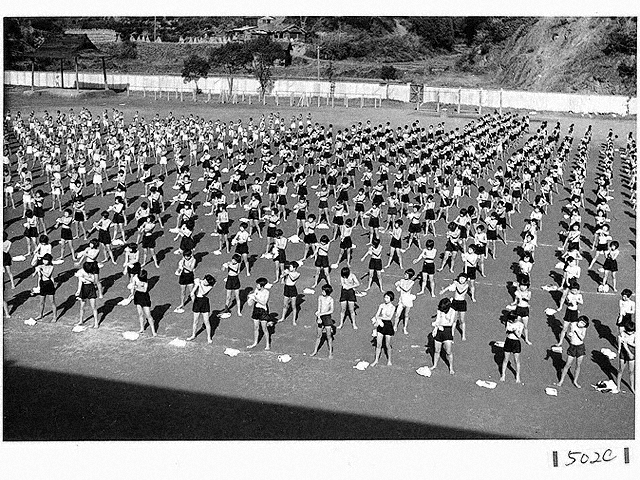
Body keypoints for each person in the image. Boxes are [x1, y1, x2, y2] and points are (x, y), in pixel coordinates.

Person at [557, 315, 588, 388]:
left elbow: (582, 338)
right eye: (581, 322)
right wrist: (570, 333)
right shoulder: (573, 324)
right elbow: (570, 332)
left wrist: (577, 332)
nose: (582, 325)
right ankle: (561, 381)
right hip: (572, 347)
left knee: (578, 365)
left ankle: (575, 381)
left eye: (584, 324)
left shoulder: (584, 329)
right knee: (567, 364)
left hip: (580, 347)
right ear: (579, 320)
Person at [440, 273, 470, 341]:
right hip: (455, 302)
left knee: (462, 320)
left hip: (462, 303)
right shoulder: (456, 283)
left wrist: (456, 284)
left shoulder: (466, 285)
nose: (461, 280)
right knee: (454, 320)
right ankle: (452, 334)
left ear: (466, 280)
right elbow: (449, 287)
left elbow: (460, 291)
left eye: (463, 278)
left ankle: (463, 335)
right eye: (460, 278)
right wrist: (443, 290)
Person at [430, 297, 456, 374]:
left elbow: (450, 323)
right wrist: (435, 328)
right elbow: (438, 320)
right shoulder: (439, 311)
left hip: (447, 332)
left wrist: (440, 325)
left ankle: (451, 367)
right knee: (437, 350)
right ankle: (434, 365)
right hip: (439, 331)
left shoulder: (452, 311)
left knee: (448, 351)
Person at [188, 274, 216, 344]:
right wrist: (197, 282)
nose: (205, 282)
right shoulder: (201, 281)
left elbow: (203, 292)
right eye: (205, 280)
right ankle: (193, 335)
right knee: (195, 321)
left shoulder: (210, 286)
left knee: (206, 321)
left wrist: (199, 284)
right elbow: (195, 282)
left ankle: (209, 337)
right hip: (197, 301)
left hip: (204, 302)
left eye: (207, 282)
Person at [371, 291, 396, 367]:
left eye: (387, 297)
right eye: (385, 297)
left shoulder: (393, 307)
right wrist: (378, 318)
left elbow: (389, 317)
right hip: (380, 324)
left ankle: (389, 360)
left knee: (387, 344)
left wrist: (379, 317)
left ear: (390, 298)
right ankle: (376, 360)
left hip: (387, 325)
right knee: (378, 344)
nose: (385, 299)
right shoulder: (381, 305)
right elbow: (377, 314)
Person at [555, 281, 583, 347]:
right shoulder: (569, 295)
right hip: (569, 312)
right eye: (572, 290)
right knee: (564, 328)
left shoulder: (579, 295)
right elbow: (568, 301)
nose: (573, 292)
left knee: (573, 328)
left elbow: (581, 302)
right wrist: (571, 301)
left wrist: (577, 300)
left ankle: (572, 342)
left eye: (575, 290)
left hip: (574, 312)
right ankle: (560, 342)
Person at [311, 284, 335, 358]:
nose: (322, 292)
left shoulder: (330, 299)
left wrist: (322, 313)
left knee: (329, 336)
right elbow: (319, 308)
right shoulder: (320, 297)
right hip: (321, 317)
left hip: (327, 318)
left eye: (324, 291)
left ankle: (330, 352)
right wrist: (318, 316)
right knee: (318, 335)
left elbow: (331, 310)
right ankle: (315, 350)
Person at [247, 277, 272, 350]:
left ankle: (267, 344)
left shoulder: (266, 292)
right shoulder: (256, 290)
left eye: (258, 285)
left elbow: (264, 302)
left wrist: (255, 298)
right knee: (256, 327)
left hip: (263, 311)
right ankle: (255, 342)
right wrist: (250, 299)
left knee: (264, 328)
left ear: (262, 285)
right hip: (256, 309)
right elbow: (251, 302)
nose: (257, 286)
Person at [130, 269, 157, 336]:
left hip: (144, 297)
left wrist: (136, 287)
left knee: (148, 315)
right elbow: (133, 285)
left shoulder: (145, 280)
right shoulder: (135, 278)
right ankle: (142, 328)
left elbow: (144, 290)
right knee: (140, 313)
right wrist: (132, 293)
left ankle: (153, 331)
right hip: (137, 296)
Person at [75, 264, 99, 329]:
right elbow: (80, 282)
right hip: (84, 288)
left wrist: (85, 278)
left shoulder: (92, 271)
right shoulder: (81, 271)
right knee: (82, 306)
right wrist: (78, 291)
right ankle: (81, 320)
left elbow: (93, 280)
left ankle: (96, 323)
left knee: (93, 306)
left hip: (91, 288)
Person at [500, 315, 524, 384]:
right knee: (505, 359)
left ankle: (517, 376)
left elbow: (519, 336)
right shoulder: (508, 322)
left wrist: (515, 331)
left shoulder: (520, 325)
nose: (510, 321)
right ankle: (503, 375)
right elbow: (506, 331)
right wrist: (509, 329)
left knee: (516, 360)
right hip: (508, 341)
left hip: (516, 342)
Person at [34, 253, 57, 322]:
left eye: (46, 260)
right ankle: (40, 314)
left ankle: (54, 317)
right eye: (44, 260)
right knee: (41, 302)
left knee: (52, 301)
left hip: (49, 284)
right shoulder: (40, 266)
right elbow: (34, 274)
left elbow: (48, 275)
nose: (44, 261)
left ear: (49, 261)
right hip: (42, 284)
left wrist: (41, 270)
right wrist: (36, 270)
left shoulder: (51, 267)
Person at [510, 278, 533, 345]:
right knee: (517, 324)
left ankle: (526, 339)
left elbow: (528, 298)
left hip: (525, 309)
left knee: (525, 326)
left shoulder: (529, 292)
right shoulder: (517, 292)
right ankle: (516, 336)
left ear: (527, 286)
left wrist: (523, 296)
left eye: (524, 286)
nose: (522, 287)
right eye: (521, 285)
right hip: (519, 309)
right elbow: (516, 301)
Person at [394, 268, 416, 335]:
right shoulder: (401, 280)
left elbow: (406, 289)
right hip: (401, 300)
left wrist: (399, 284)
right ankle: (395, 326)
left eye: (406, 274)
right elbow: (397, 288)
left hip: (407, 300)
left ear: (410, 276)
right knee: (397, 314)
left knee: (406, 315)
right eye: (405, 274)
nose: (405, 275)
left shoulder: (412, 282)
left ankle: (405, 328)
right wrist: (397, 285)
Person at [616, 319, 635, 394]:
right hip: (623, 353)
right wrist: (619, 350)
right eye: (629, 331)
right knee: (620, 370)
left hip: (631, 352)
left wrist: (629, 343)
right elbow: (620, 344)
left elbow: (636, 344)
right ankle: (618, 387)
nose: (630, 333)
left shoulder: (635, 334)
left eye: (632, 331)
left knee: (631, 371)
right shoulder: (622, 334)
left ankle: (632, 387)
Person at [174, 249, 196, 314]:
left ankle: (195, 305)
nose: (187, 257)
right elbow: (180, 268)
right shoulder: (183, 260)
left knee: (192, 292)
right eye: (185, 256)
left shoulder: (193, 260)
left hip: (189, 276)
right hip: (183, 276)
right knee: (183, 291)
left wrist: (184, 266)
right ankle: (182, 303)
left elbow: (191, 269)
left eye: (188, 256)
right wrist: (178, 270)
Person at [281, 261, 300, 325]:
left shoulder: (297, 274)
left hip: (292, 288)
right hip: (286, 288)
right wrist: (283, 275)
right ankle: (283, 317)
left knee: (293, 305)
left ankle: (294, 320)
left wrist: (288, 273)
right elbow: (282, 277)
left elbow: (293, 278)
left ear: (294, 268)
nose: (289, 267)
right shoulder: (288, 273)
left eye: (291, 266)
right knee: (285, 304)